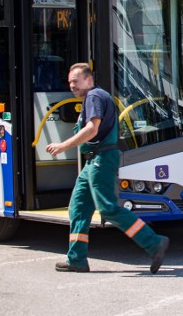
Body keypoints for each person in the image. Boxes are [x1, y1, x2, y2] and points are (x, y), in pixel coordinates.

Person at [46, 63, 169, 273]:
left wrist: (63, 145)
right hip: (94, 160)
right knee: (79, 207)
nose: (72, 86)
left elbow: (92, 129)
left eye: (76, 81)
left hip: (101, 159)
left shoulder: (93, 96)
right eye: (69, 83)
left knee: (107, 208)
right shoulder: (97, 97)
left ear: (89, 80)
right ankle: (76, 259)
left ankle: (154, 242)